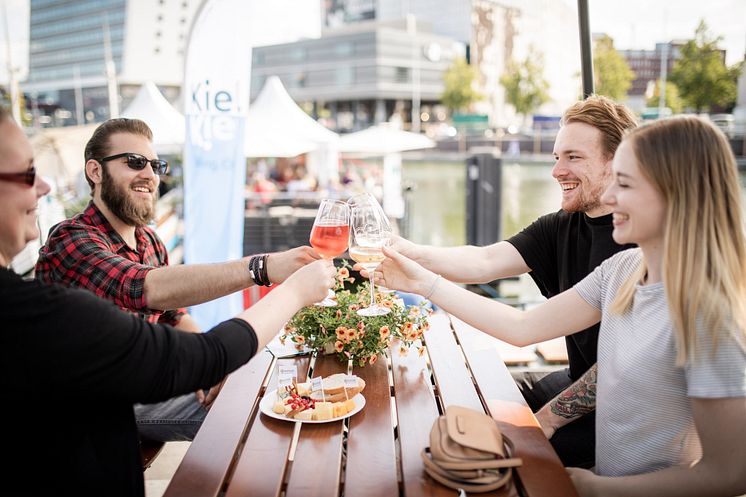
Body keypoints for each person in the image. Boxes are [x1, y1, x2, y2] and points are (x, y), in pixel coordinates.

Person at [372, 116, 746, 497]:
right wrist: (422, 282)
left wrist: (598, 488)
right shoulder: (622, 270)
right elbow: (523, 328)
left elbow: (730, 475)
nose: (611, 196)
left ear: (675, 192)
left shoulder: (710, 317)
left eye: (626, 183)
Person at [0, 106, 337, 496]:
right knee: (246, 414)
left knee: (252, 390)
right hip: (115, 400)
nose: (149, 174)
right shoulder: (71, 239)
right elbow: (142, 286)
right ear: (95, 171)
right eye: (134, 162)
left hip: (149, 377)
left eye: (155, 165)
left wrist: (210, 371)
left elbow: (174, 316)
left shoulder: (149, 241)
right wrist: (262, 269)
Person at [388, 95, 637, 467]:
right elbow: (484, 260)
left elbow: (622, 365)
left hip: (624, 415)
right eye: (556, 157)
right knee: (465, 403)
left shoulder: (639, 245)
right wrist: (407, 251)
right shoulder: (562, 225)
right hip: (575, 379)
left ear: (617, 162)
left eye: (573, 157)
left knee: (491, 454)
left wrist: (547, 420)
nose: (556, 170)